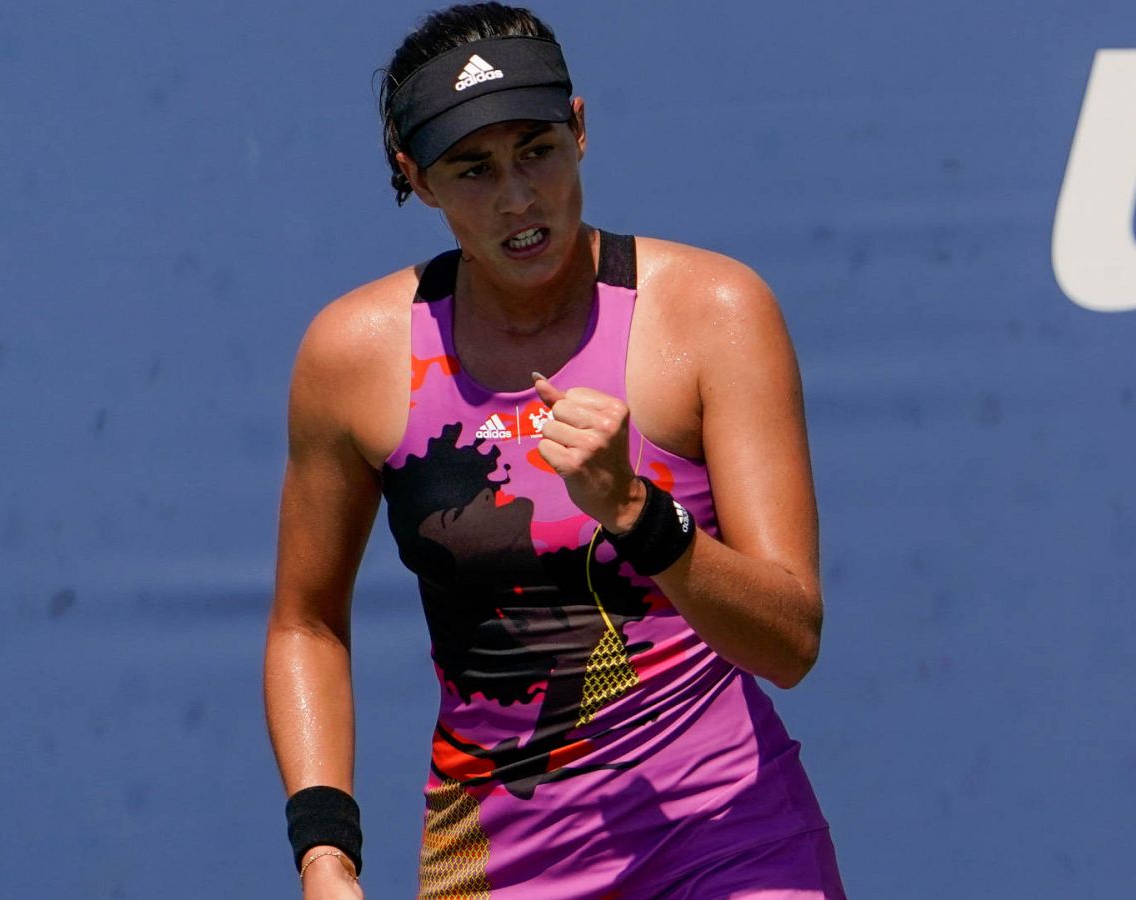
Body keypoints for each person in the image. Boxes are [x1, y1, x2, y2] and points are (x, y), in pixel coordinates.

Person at [262, 4, 845, 897]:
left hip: (731, 839)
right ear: (416, 180)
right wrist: (326, 854)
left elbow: (791, 641)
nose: (517, 198)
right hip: (492, 862)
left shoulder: (715, 313)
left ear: (579, 128)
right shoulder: (352, 357)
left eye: (536, 149)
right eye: (473, 168)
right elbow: (305, 625)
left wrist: (642, 515)